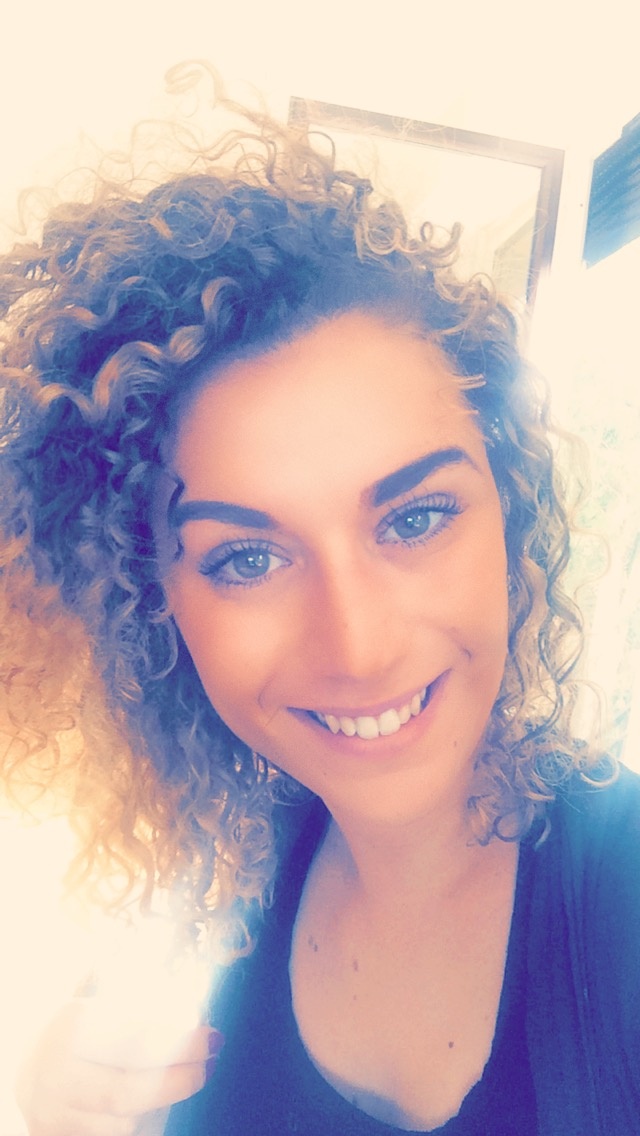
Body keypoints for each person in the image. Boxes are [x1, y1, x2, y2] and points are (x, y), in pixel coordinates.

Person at [1, 66, 638, 1136]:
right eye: (248, 559)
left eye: (415, 517)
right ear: (155, 606)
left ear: (512, 516)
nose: (359, 645)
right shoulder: (217, 898)